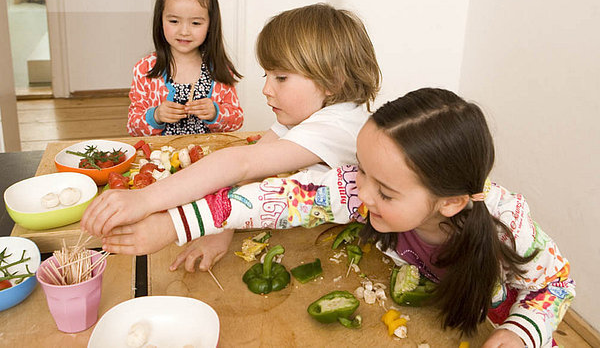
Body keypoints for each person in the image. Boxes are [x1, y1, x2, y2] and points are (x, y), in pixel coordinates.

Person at [102, 88, 574, 347]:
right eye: (361, 171)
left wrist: (519, 334)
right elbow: (272, 198)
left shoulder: (507, 225)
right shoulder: (361, 188)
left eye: (384, 190)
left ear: (450, 202)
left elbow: (555, 285)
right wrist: (168, 223)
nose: (360, 193)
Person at [82, 3, 381, 271]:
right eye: (267, 76)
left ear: (332, 80)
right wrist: (219, 233)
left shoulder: (339, 126)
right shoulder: (313, 114)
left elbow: (241, 164)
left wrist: (144, 200)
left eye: (281, 77)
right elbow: (251, 173)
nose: (266, 89)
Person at [127, 0, 243, 136]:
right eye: (174, 21)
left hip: (209, 157)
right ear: (160, 21)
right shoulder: (145, 69)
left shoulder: (218, 68)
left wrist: (216, 113)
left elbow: (237, 120)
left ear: (211, 24)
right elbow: (133, 126)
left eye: (195, 23)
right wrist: (156, 116)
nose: (184, 31)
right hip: (160, 158)